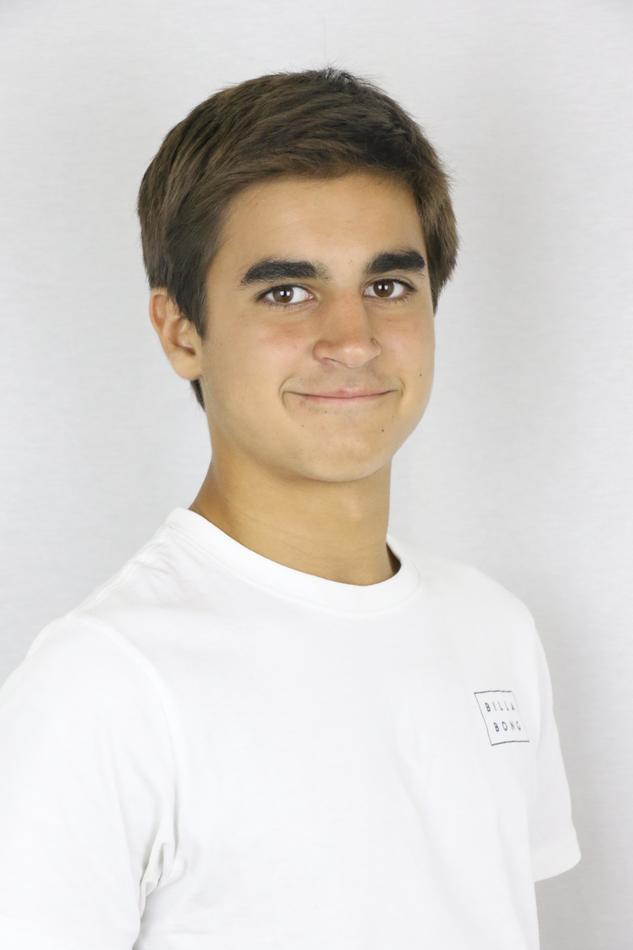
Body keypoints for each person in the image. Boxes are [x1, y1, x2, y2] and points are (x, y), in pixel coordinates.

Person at [0, 66, 581, 949]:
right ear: (181, 332)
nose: (351, 340)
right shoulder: (105, 682)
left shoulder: (493, 629)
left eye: (387, 286)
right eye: (286, 292)